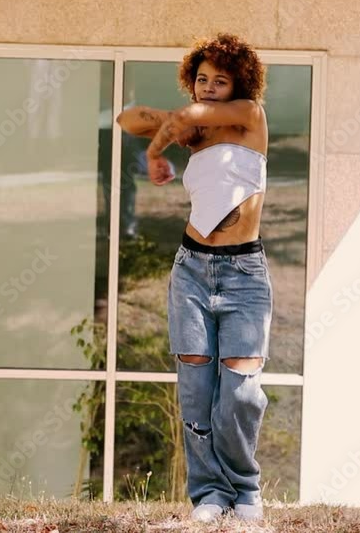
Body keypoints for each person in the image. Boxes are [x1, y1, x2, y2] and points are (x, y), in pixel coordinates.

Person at [115, 32, 271, 524]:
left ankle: (245, 487)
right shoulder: (193, 129)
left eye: (219, 81)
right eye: (201, 79)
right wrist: (171, 122)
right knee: (196, 391)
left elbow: (182, 119)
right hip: (192, 270)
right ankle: (209, 494)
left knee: (240, 393)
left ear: (239, 85)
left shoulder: (250, 117)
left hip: (244, 274)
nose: (208, 87)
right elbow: (127, 118)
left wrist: (155, 152)